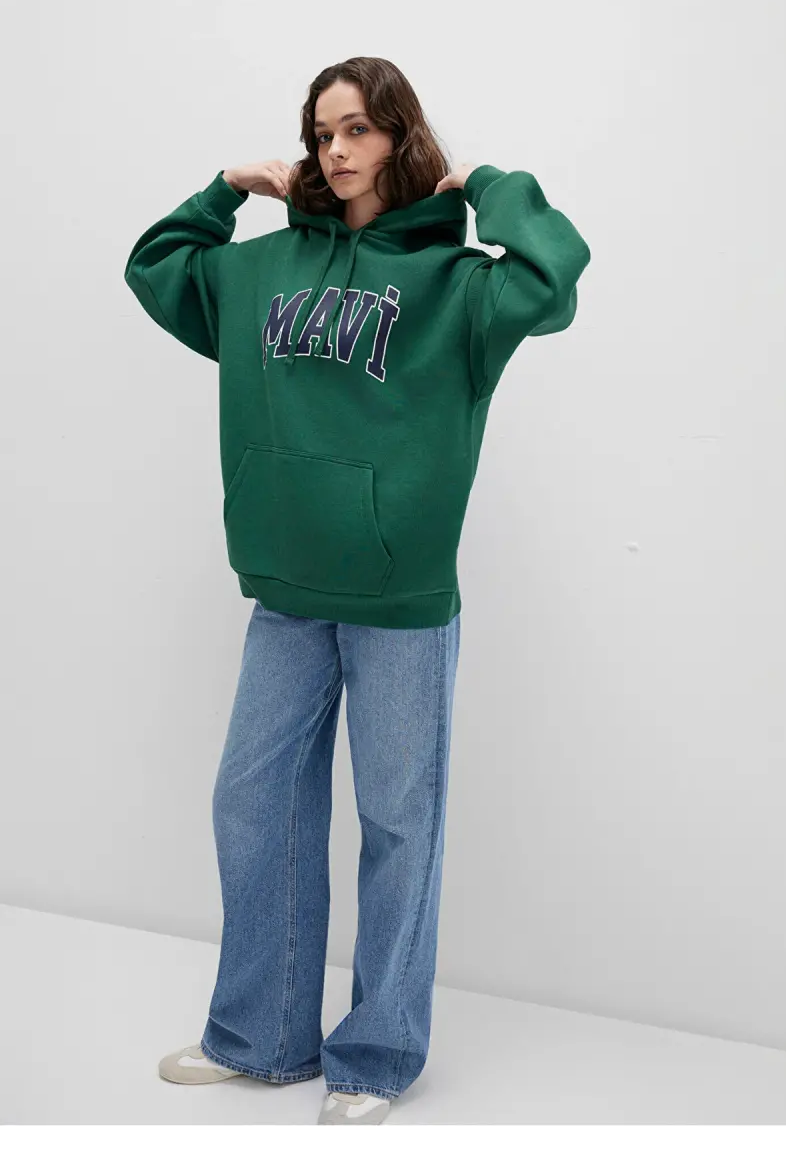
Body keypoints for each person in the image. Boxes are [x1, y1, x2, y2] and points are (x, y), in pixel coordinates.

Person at [123, 55, 590, 1126]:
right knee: (253, 803)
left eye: (358, 130)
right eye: (321, 132)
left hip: (400, 603)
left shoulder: (459, 287)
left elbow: (554, 272)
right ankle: (261, 1037)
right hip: (285, 590)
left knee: (397, 824)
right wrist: (226, 189)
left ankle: (375, 1057)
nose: (335, 150)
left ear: (398, 136)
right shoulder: (259, 271)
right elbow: (156, 266)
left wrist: (485, 185)